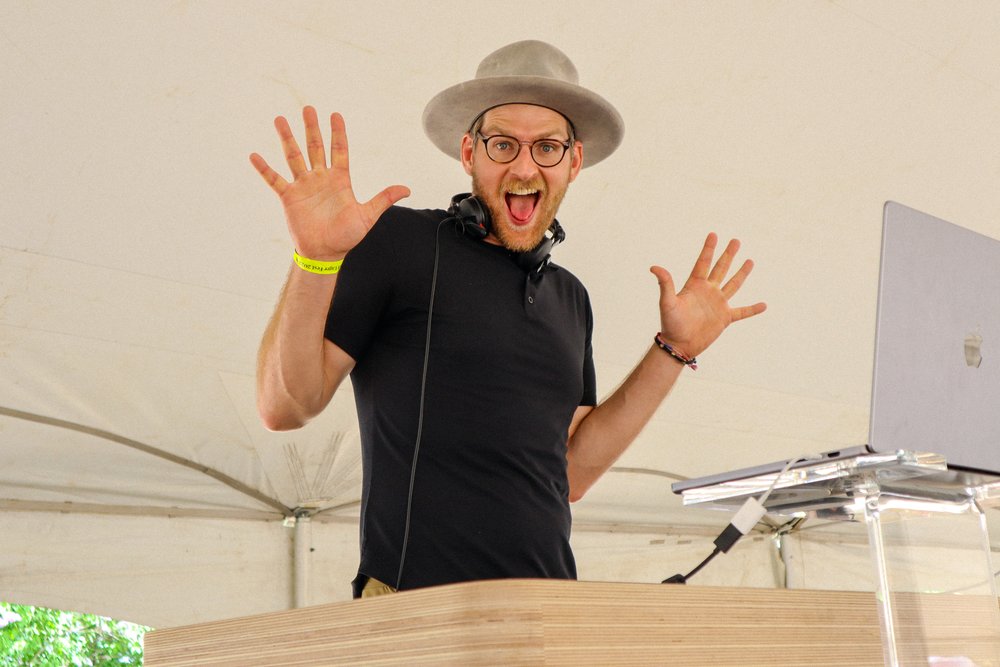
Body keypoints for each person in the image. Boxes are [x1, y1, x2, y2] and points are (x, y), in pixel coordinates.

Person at [250, 40, 766, 599]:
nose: (524, 166)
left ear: (574, 162)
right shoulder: (400, 242)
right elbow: (285, 406)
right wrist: (316, 259)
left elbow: (570, 475)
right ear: (469, 153)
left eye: (547, 147)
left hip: (548, 608)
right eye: (503, 145)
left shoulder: (570, 297)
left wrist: (673, 348)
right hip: (418, 606)